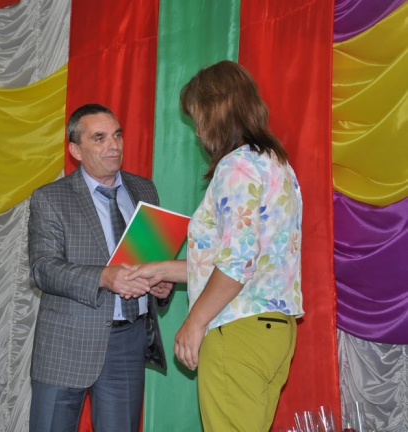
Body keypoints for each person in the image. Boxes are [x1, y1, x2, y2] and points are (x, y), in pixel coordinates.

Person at [126, 60, 304, 431]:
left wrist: (194, 322)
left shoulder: (235, 167)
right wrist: (159, 269)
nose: (197, 132)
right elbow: (239, 259)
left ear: (214, 112)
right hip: (276, 331)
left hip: (236, 330)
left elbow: (236, 265)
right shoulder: (278, 164)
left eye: (197, 119)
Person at [28, 104, 173, 432]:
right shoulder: (51, 198)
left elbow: (150, 258)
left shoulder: (144, 189)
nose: (114, 145)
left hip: (128, 341)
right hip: (66, 344)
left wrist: (159, 284)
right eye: (99, 138)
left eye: (117, 135)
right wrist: (103, 277)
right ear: (75, 150)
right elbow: (42, 268)